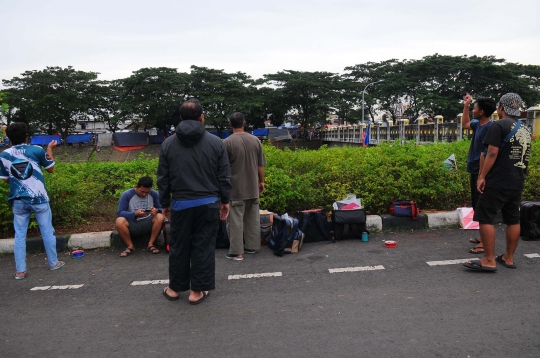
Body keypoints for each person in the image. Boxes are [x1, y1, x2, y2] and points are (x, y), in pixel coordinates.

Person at [157, 99, 231, 305]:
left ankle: (174, 288)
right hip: (208, 204)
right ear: (202, 117)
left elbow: (163, 178)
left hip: (181, 204)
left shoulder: (168, 144)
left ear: (180, 118)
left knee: (179, 246)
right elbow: (224, 176)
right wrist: (225, 200)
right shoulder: (216, 142)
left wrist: (165, 203)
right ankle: (196, 291)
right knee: (203, 246)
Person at [463, 93, 531, 272]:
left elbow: (491, 153)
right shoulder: (524, 128)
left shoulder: (499, 125)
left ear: (501, 107)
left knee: (485, 217)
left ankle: (488, 260)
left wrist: (482, 176)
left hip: (498, 180)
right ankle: (508, 257)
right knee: (512, 219)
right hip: (517, 179)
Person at [0, 122, 65, 280]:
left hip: (18, 200)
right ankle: (54, 263)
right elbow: (50, 169)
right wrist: (49, 149)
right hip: (39, 198)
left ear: (9, 137)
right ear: (26, 135)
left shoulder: (4, 155)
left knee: (20, 235)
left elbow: (5, 180)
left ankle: (20, 271)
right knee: (47, 231)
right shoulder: (36, 150)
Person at [223, 112, 266, 261]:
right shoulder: (256, 141)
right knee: (252, 219)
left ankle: (236, 252)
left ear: (230, 125)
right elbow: (260, 165)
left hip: (235, 189)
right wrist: (261, 182)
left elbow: (223, 168)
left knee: (235, 221)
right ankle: (252, 247)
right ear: (244, 123)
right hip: (252, 187)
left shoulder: (227, 142)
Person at [461, 94, 496, 252]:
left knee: (482, 207)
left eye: (474, 107)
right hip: (474, 169)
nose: (473, 110)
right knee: (477, 205)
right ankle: (482, 237)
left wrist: (482, 176)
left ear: (481, 112)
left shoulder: (490, 128)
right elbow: (465, 124)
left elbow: (486, 153)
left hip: (481, 172)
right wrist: (466, 105)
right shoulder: (477, 124)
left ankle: (484, 244)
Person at [116, 176, 165, 256]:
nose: (144, 194)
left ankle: (151, 244)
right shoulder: (127, 194)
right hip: (133, 223)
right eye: (142, 191)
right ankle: (130, 246)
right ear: (136, 187)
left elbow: (161, 209)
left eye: (147, 192)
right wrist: (134, 214)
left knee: (160, 216)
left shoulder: (154, 194)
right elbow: (120, 212)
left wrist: (156, 210)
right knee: (119, 220)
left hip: (148, 222)